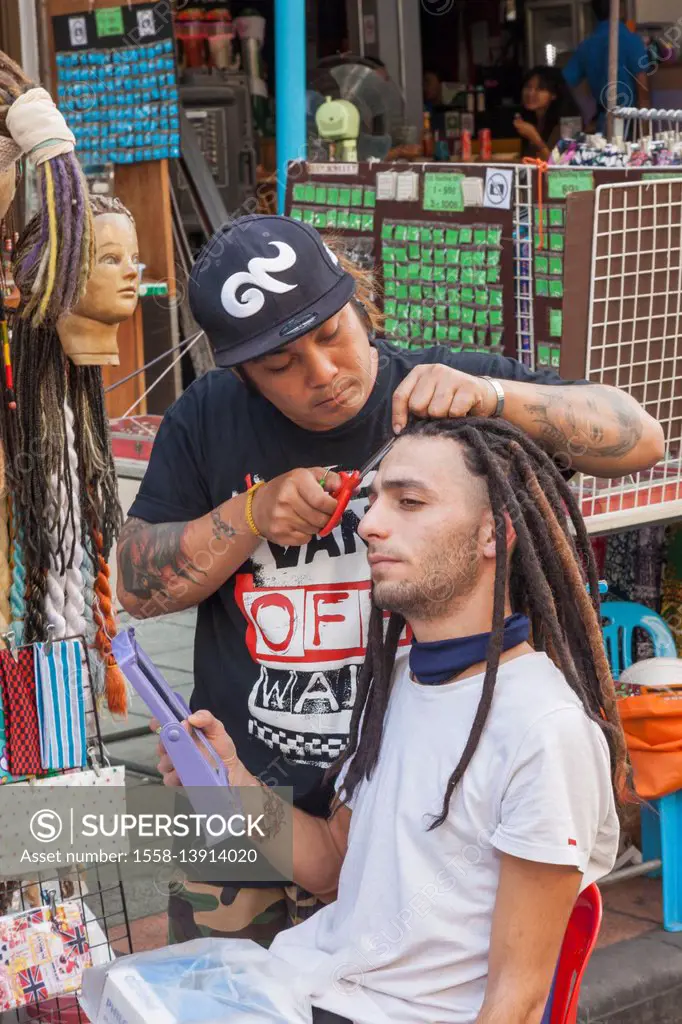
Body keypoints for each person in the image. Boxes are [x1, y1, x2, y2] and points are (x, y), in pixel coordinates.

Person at [116, 214, 662, 946]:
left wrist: (498, 398)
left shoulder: (449, 389)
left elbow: (638, 436)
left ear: (361, 305)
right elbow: (135, 584)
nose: (322, 372)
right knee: (227, 992)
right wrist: (248, 514)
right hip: (246, 800)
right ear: (240, 371)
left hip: (424, 806)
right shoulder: (207, 420)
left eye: (332, 333)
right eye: (280, 364)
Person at [156, 416, 624, 1024]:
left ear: (494, 533)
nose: (369, 524)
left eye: (409, 502)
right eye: (375, 500)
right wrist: (229, 781)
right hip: (308, 988)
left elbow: (517, 1003)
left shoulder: (543, 729)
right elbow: (330, 864)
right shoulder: (399, 679)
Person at [562, 0, 649, 134]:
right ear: (620, 10)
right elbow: (642, 91)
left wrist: (584, 114)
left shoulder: (587, 45)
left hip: (602, 120)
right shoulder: (631, 40)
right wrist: (645, 133)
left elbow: (564, 82)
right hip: (628, 121)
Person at [513, 65, 580, 161]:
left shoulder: (570, 125)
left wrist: (535, 139)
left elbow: (560, 165)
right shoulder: (530, 119)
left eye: (540, 89)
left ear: (554, 94)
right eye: (528, 87)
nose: (530, 93)